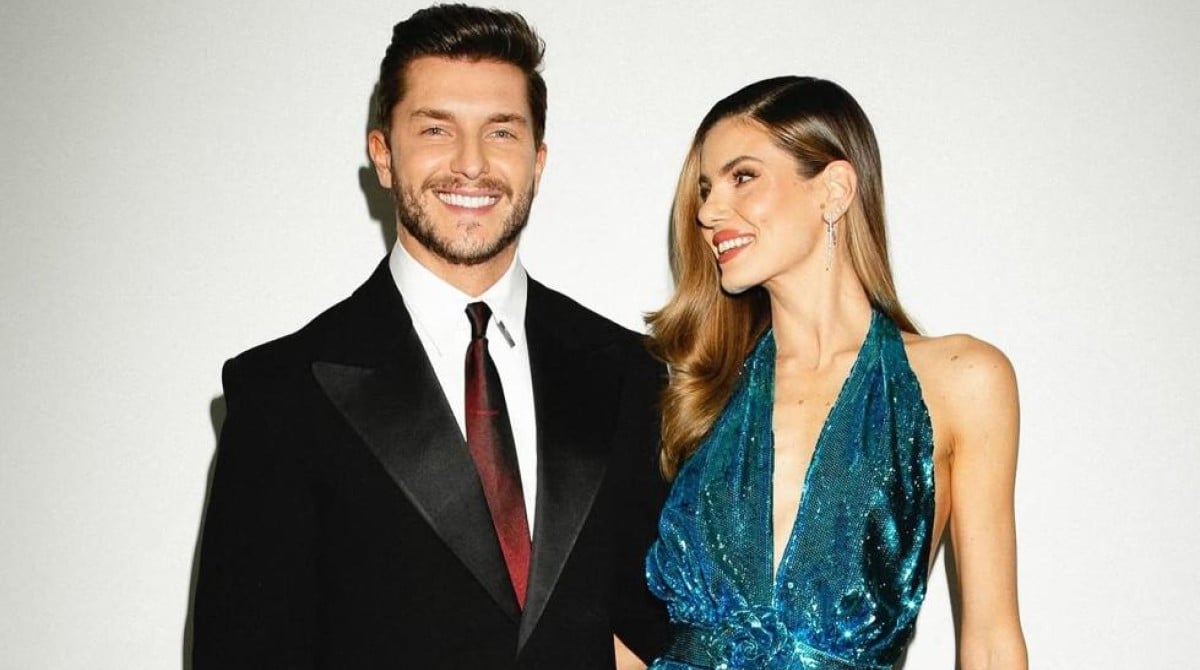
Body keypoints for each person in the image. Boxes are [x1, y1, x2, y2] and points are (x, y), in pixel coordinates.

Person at [192, 5, 668, 668]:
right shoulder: (281, 395)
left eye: (501, 131)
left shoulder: (633, 376)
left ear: (538, 160)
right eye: (436, 129)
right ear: (383, 154)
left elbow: (663, 629)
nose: (471, 164)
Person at [643, 76, 1027, 669]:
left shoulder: (962, 380)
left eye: (743, 177)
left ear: (834, 190)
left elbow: (991, 642)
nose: (709, 211)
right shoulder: (700, 393)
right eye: (705, 188)